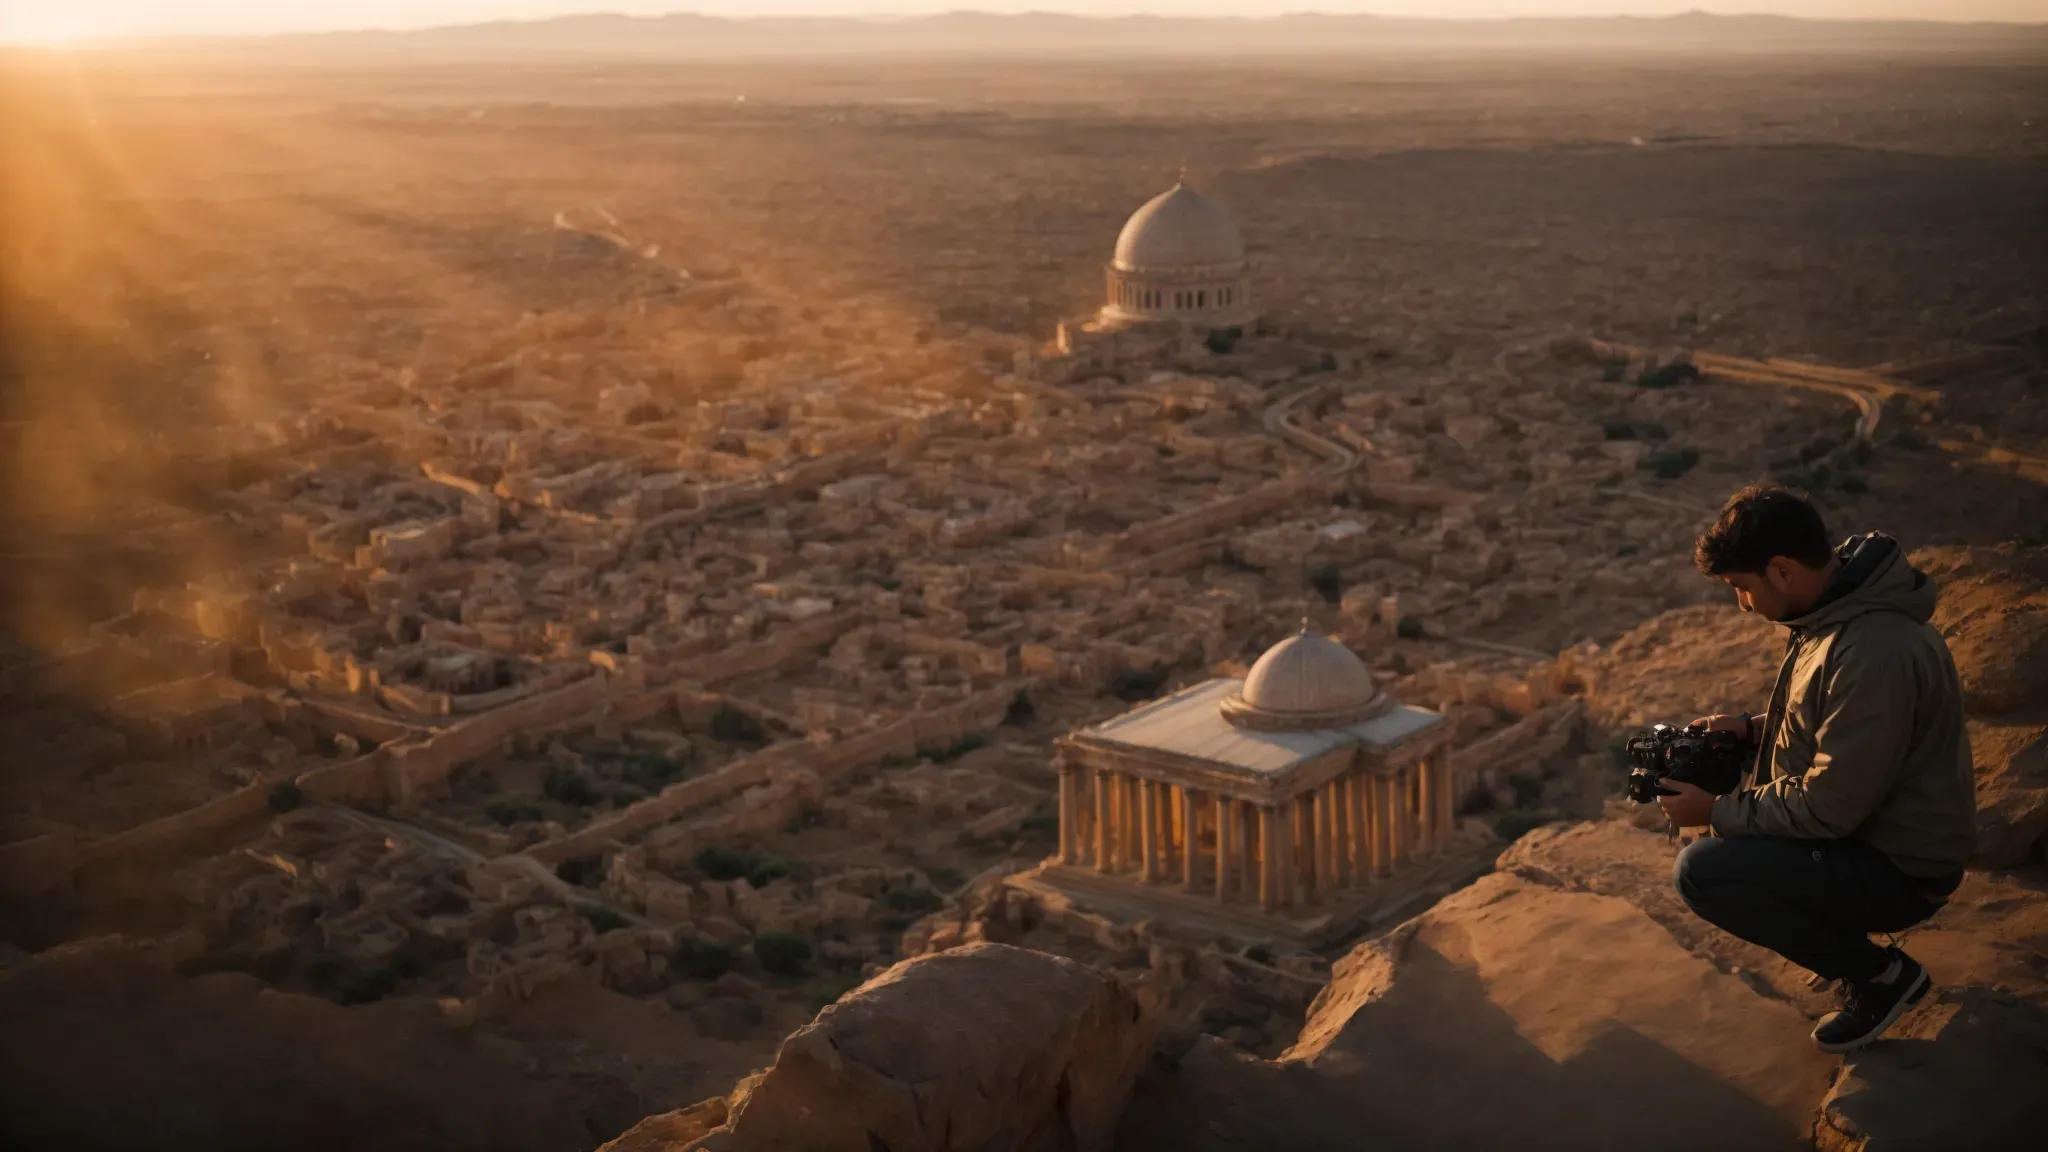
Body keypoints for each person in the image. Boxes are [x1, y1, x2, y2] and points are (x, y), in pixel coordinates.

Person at [1661, 484, 1975, 1053]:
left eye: (1742, 588)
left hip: (1899, 866)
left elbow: (1830, 805)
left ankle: (1883, 979)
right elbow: (1839, 725)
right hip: (1871, 837)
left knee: (1703, 872)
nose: (1743, 604)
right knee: (1729, 850)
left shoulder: (1871, 647)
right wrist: (1753, 729)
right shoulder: (1838, 616)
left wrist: (1716, 810)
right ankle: (1843, 944)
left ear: (1781, 570)